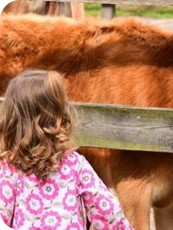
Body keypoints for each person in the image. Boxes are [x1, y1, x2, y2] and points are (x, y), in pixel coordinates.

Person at [0, 69, 132, 230]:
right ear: (60, 115)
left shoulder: (9, 168)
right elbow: (108, 213)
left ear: (12, 119)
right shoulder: (74, 164)